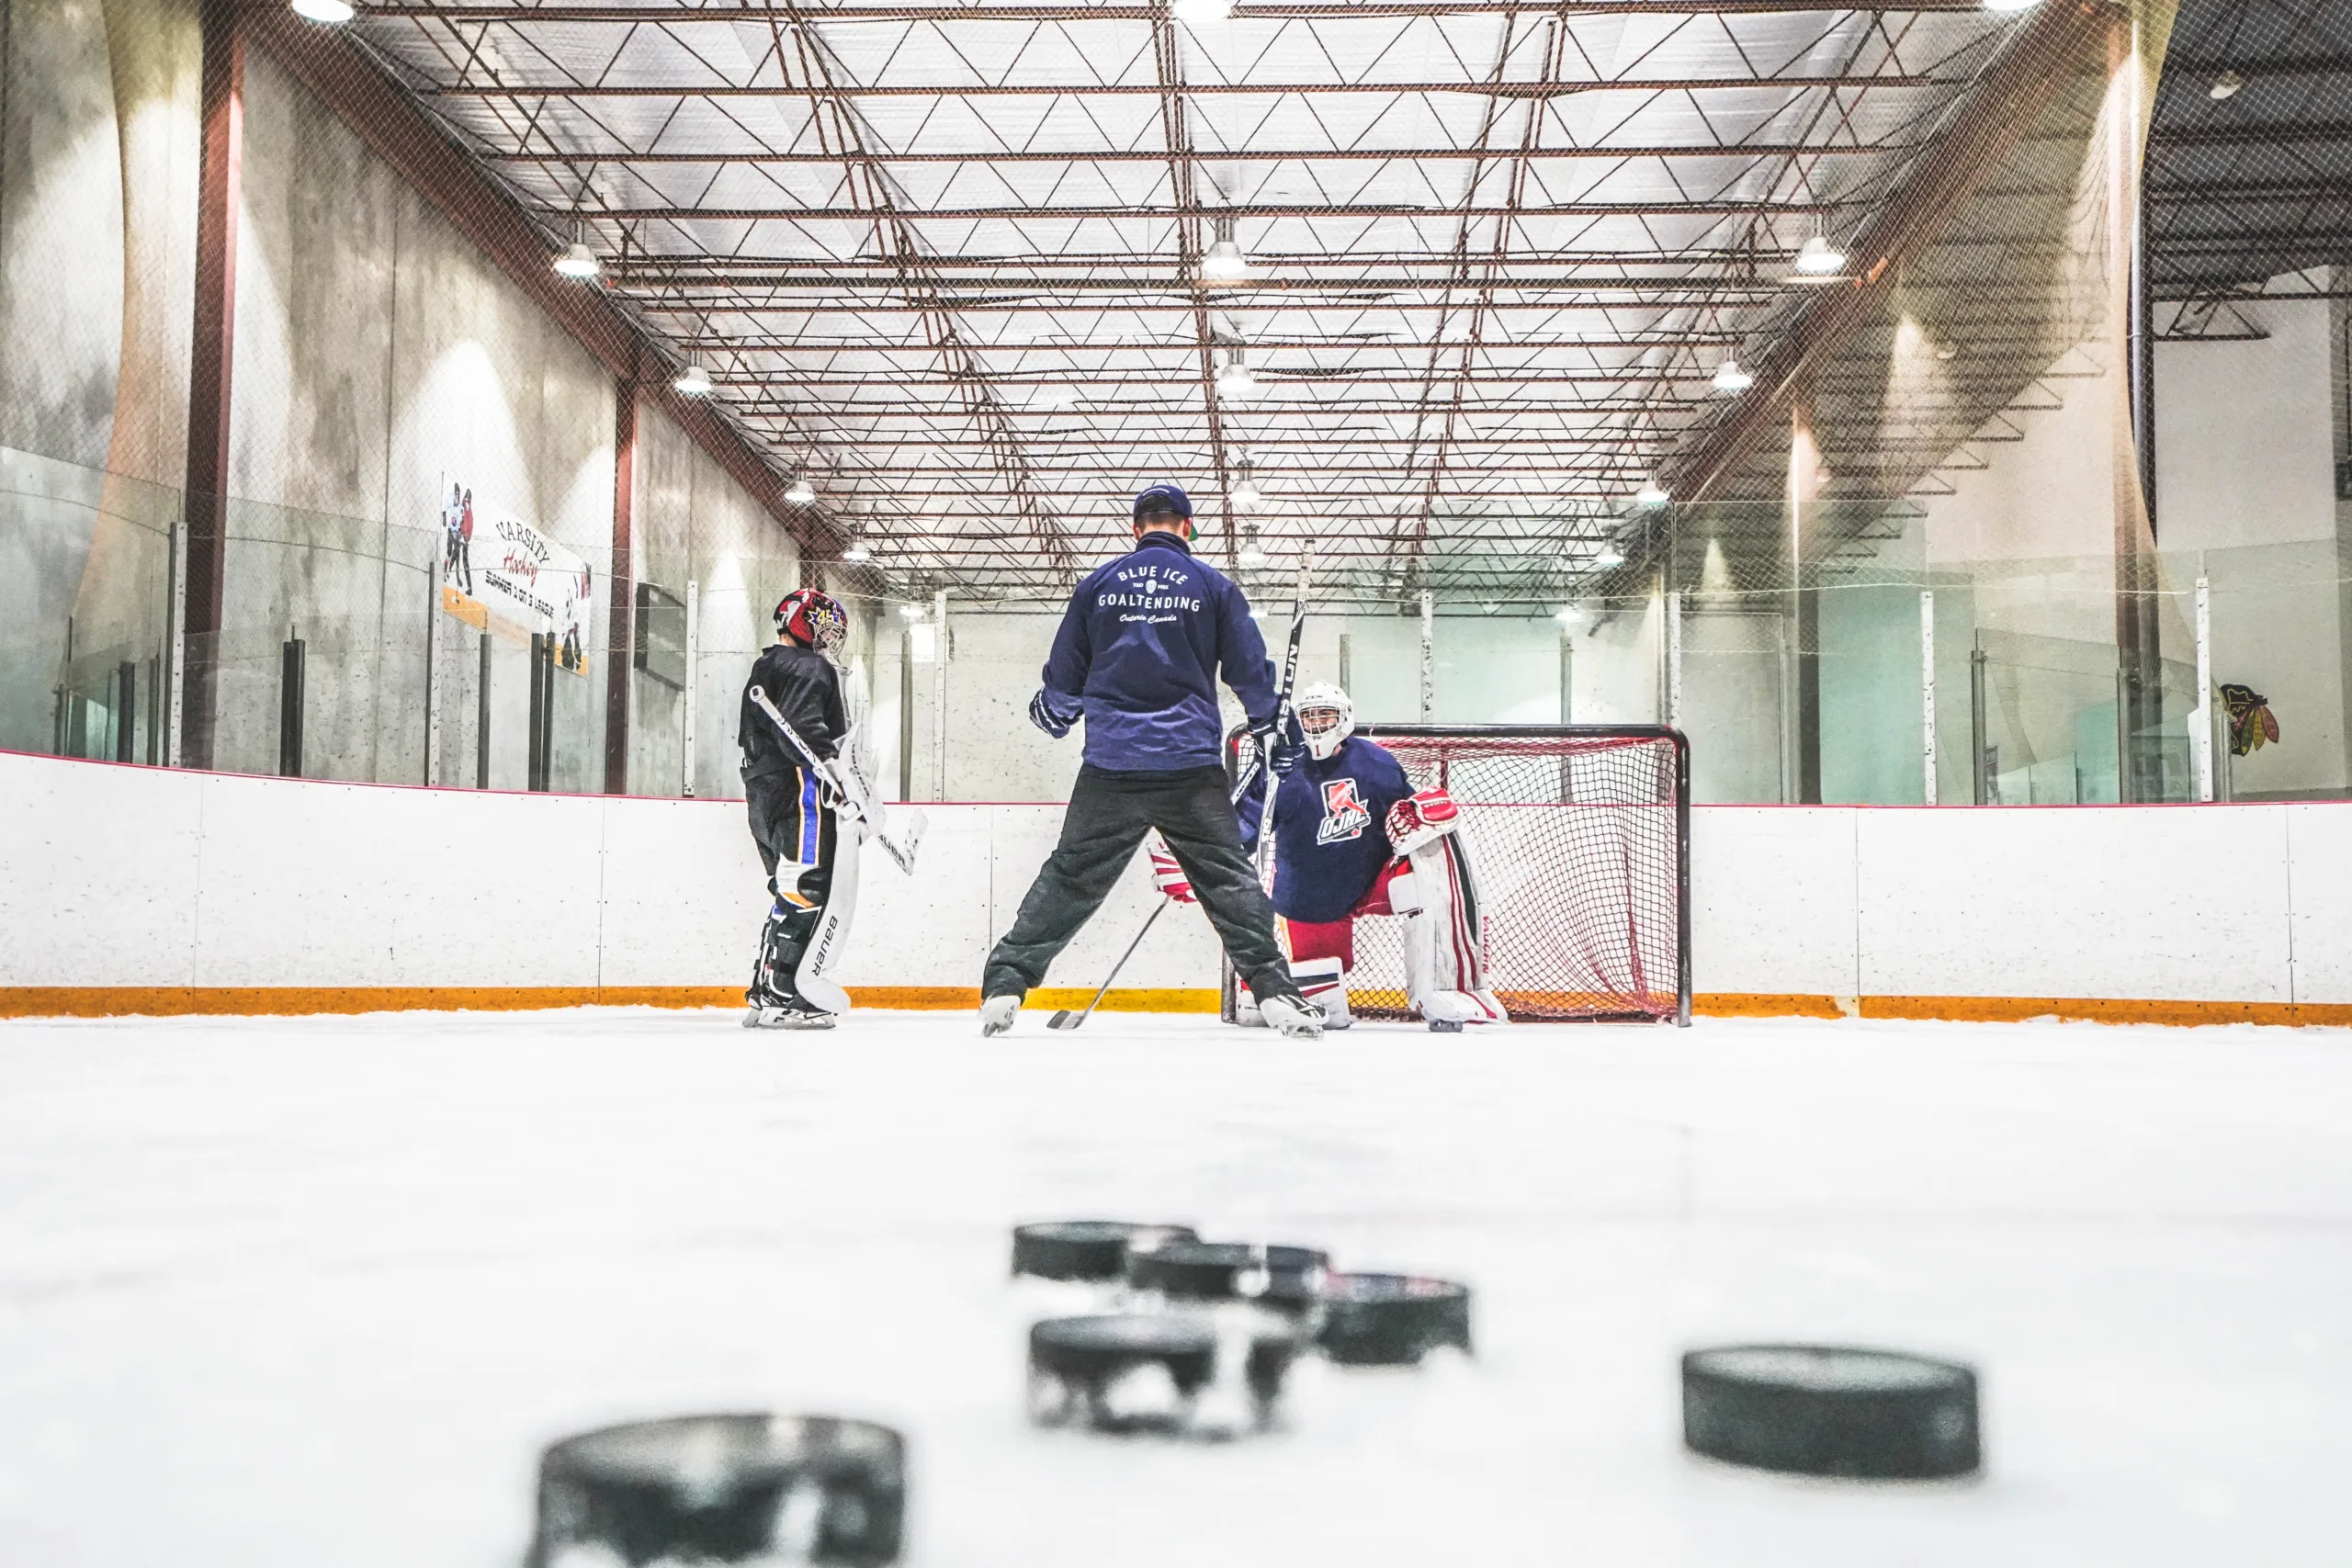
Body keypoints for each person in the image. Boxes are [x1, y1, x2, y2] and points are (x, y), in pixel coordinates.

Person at [980, 480, 1324, 1039]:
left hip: (1112, 765)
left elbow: (1066, 674)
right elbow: (1249, 671)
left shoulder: (1098, 585)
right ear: (1187, 527)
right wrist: (1274, 731)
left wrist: (1056, 710)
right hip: (1188, 765)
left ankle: (1005, 985)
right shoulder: (1214, 587)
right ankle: (1277, 992)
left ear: (1136, 528)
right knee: (1229, 881)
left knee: (1070, 879)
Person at [1220, 680, 1506, 1031]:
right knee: (1327, 996)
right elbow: (1243, 824)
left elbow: (1412, 816)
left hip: (1375, 878)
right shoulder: (1281, 768)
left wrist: (1422, 817)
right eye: (1309, 717)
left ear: (1345, 718)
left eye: (1326, 715)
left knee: (1436, 869)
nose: (1318, 725)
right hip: (1311, 895)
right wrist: (1211, 858)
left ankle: (1451, 990)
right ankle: (1267, 992)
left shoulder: (1378, 764)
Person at [740, 587, 853, 1030]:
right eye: (822, 628)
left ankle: (766, 993)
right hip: (800, 786)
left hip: (764, 791)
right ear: (801, 622)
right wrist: (838, 777)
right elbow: (804, 729)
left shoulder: (769, 664)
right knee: (805, 886)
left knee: (788, 888)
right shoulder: (809, 666)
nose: (827, 640)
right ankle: (788, 995)